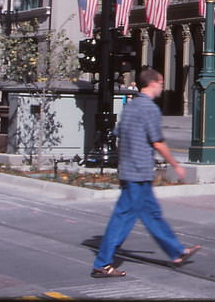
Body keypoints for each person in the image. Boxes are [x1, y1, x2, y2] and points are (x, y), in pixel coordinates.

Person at [90, 67, 200, 278]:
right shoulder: (149, 108)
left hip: (130, 169)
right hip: (138, 173)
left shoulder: (130, 107)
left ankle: (177, 252)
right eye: (160, 83)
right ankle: (102, 263)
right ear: (153, 83)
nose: (161, 87)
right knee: (123, 219)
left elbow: (118, 134)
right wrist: (175, 164)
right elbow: (157, 142)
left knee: (151, 214)